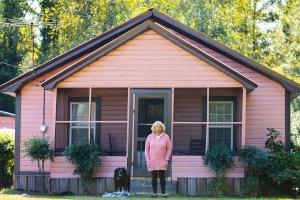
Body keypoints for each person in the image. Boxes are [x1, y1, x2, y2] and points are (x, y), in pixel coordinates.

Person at [145, 121, 172, 198]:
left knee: (162, 177)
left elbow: (169, 149)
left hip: (162, 161)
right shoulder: (149, 137)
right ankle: (154, 193)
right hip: (152, 161)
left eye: (159, 126)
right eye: (156, 126)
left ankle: (163, 193)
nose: (158, 128)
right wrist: (148, 159)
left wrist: (166, 159)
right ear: (154, 127)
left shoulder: (166, 137)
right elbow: (146, 149)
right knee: (154, 177)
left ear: (162, 128)